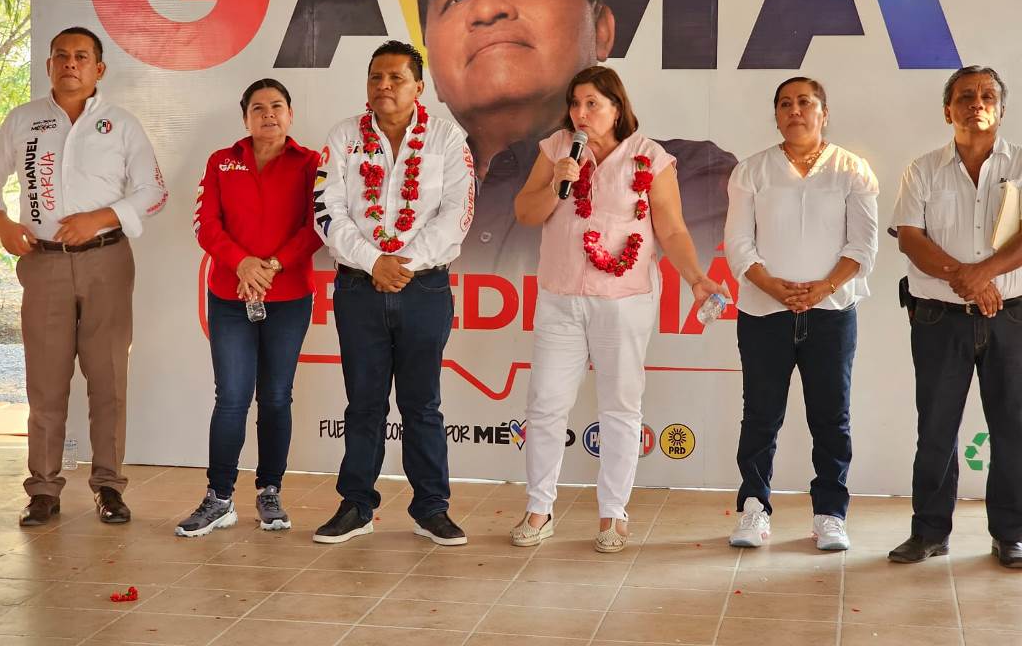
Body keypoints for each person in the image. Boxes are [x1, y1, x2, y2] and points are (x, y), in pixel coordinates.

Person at [416, 0, 735, 276]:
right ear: (432, 69)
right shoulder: (409, 182)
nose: (486, 9)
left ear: (601, 29)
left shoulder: (688, 175)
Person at [509, 66, 725, 552]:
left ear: (616, 107)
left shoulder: (650, 157)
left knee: (620, 407)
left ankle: (613, 514)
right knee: (545, 404)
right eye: (575, 103)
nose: (580, 113)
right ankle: (539, 509)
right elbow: (525, 212)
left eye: (592, 104)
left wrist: (696, 277)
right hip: (561, 297)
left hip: (625, 301)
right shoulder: (557, 149)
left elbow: (671, 229)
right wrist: (556, 183)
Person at [0, 27, 167, 526]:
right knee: (45, 382)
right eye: (61, 56)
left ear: (99, 69)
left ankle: (109, 487)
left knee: (108, 378)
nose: (70, 63)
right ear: (48, 65)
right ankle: (43, 490)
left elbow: (153, 191)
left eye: (81, 56)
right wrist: (2, 222)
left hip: (106, 261)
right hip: (43, 263)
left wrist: (101, 217)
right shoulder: (22, 120)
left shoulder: (121, 124)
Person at [311, 40, 474, 546]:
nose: (383, 86)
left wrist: (404, 263)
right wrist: (373, 262)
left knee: (422, 404)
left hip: (424, 286)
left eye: (395, 78)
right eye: (375, 77)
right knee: (363, 403)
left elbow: (458, 211)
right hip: (358, 287)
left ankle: (431, 509)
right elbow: (327, 210)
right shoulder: (343, 137)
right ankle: (356, 505)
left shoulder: (446, 137)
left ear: (418, 87)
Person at [724, 77, 878, 552]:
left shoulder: (852, 170)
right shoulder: (751, 171)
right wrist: (773, 286)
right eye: (785, 104)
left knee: (831, 417)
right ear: (775, 116)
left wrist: (822, 288)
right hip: (763, 311)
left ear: (823, 113)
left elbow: (863, 246)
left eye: (805, 102)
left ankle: (830, 514)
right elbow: (738, 244)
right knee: (760, 416)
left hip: (831, 312)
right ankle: (754, 509)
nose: (795, 110)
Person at [888, 66, 1022, 568]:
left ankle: (1011, 533)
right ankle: (928, 532)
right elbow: (911, 239)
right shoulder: (922, 169)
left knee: (1013, 426)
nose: (976, 103)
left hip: (1012, 317)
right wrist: (967, 279)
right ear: (948, 111)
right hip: (938, 318)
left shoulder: (1021, 164)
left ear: (1001, 110)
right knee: (936, 428)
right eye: (965, 96)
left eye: (987, 96)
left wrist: (984, 275)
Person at [176, 79, 322, 537]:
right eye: (258, 108)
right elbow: (206, 225)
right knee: (232, 398)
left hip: (289, 297)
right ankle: (219, 498)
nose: (268, 114)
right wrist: (242, 263)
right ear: (245, 118)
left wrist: (272, 266)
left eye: (277, 106)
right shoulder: (222, 161)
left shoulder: (311, 163)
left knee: (276, 397)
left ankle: (269, 492)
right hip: (230, 296)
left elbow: (316, 227)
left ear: (291, 114)